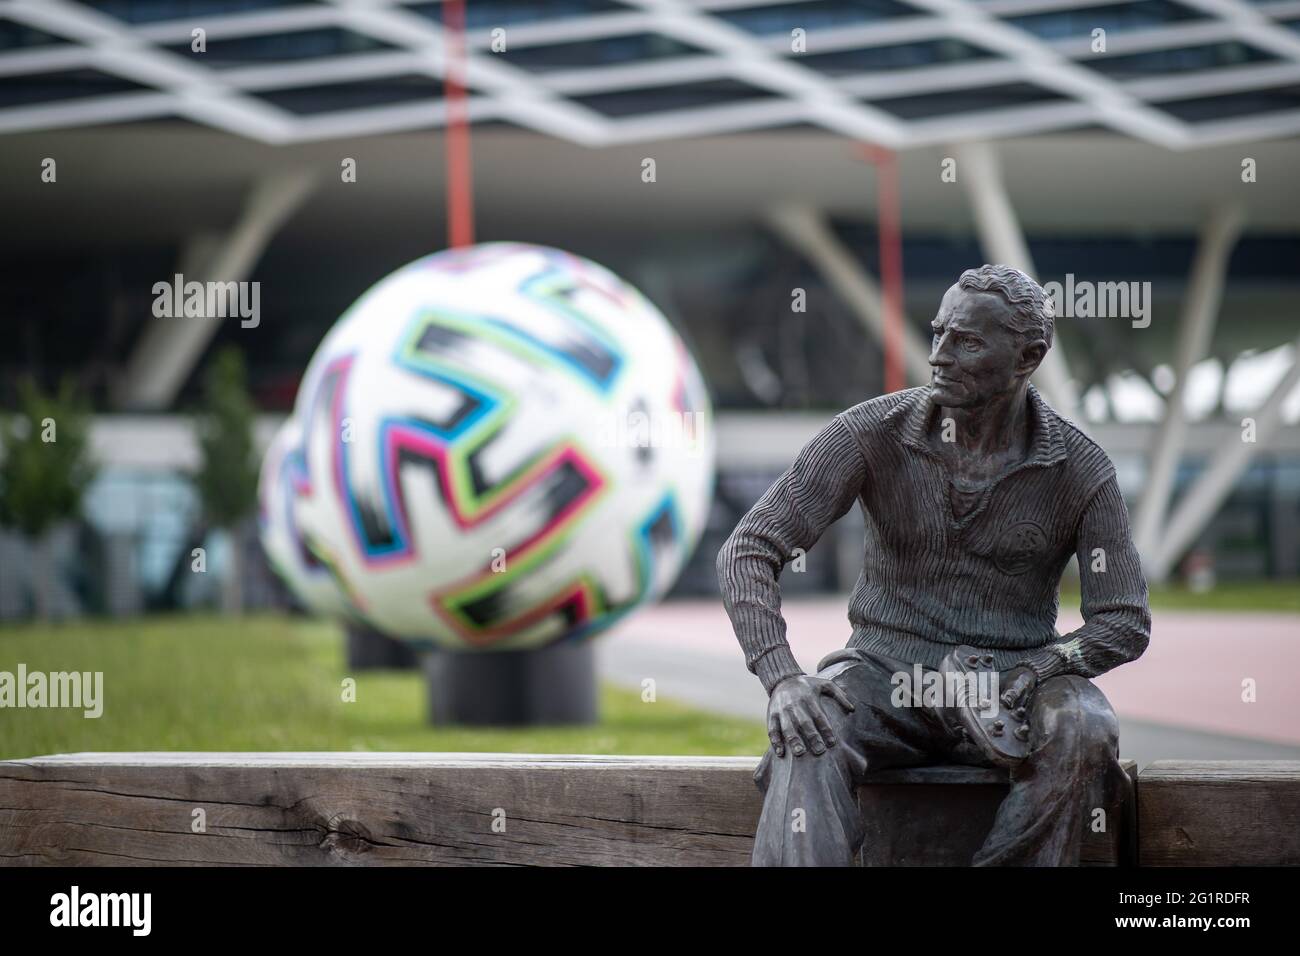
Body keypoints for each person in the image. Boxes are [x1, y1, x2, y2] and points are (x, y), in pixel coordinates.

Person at [716, 264, 1150, 866]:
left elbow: (1124, 619)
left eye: (967, 341)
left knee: (1083, 725)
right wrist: (782, 676)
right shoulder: (869, 433)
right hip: (881, 674)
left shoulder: (1081, 469)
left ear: (1028, 356)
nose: (939, 355)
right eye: (938, 332)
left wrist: (1045, 665)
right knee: (807, 733)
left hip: (1012, 689)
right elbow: (748, 549)